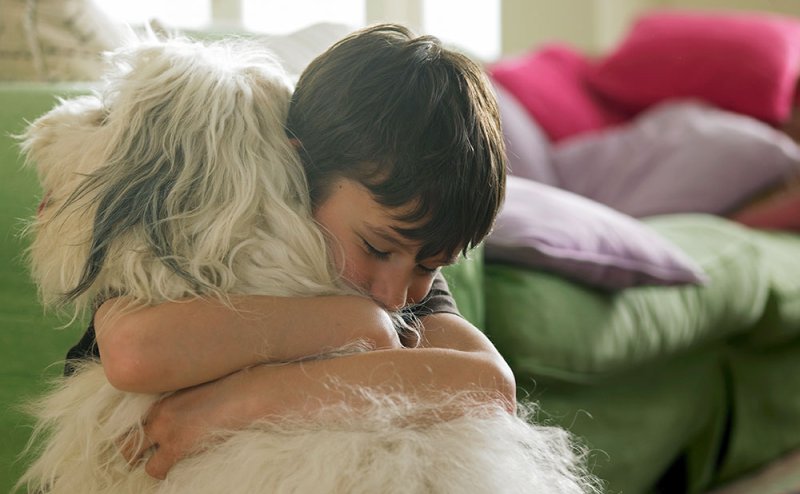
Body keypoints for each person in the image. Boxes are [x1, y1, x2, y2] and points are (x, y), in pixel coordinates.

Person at [65, 23, 512, 480]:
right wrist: (357, 324)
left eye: (430, 265)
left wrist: (233, 404)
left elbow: (491, 387)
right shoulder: (204, 227)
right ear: (298, 170)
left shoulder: (399, 267)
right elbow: (135, 354)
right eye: (377, 248)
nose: (396, 296)